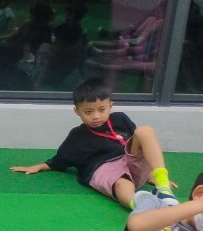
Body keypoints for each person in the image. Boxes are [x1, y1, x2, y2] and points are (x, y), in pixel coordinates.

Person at [11, 78, 177, 208]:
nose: (96, 116)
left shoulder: (120, 119)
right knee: (121, 183)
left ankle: (163, 186)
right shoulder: (77, 136)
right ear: (77, 111)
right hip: (105, 169)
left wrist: (150, 175)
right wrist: (39, 166)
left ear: (110, 105)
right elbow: (58, 161)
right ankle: (141, 206)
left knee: (145, 131)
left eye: (101, 109)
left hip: (128, 161)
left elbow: (138, 146)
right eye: (88, 112)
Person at [0, 2, 52, 90]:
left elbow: (29, 47)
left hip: (19, 53)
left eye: (32, 14)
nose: (31, 17)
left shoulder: (45, 31)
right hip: (13, 48)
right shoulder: (27, 24)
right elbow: (13, 36)